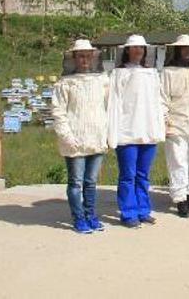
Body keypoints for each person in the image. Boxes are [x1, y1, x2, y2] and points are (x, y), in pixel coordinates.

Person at [52, 39, 110, 234]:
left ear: (93, 57)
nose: (84, 59)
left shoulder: (102, 80)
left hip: (97, 138)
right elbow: (58, 112)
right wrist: (67, 137)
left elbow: (109, 108)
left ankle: (91, 215)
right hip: (75, 140)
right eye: (80, 56)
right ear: (74, 58)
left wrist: (107, 133)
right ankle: (78, 218)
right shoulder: (65, 83)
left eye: (87, 55)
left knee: (91, 182)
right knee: (76, 182)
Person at [107, 34, 165, 228]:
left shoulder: (152, 74)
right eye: (135, 48)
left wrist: (159, 127)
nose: (138, 51)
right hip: (127, 133)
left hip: (148, 132)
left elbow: (157, 103)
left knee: (143, 175)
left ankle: (143, 210)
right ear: (127, 51)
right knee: (127, 175)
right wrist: (113, 133)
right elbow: (113, 104)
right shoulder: (118, 74)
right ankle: (128, 212)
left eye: (141, 48)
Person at [161, 34, 189, 218]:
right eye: (184, 48)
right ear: (178, 50)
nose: (187, 51)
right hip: (175, 124)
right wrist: (164, 121)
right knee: (178, 162)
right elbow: (162, 99)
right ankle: (180, 199)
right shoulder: (167, 72)